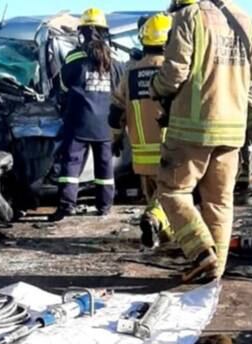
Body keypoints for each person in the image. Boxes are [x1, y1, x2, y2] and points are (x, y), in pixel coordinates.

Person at [151, 0, 252, 283]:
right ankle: (214, 271)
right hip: (232, 130)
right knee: (219, 202)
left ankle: (202, 253)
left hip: (193, 127)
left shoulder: (189, 17)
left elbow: (175, 72)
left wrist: (156, 88)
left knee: (173, 192)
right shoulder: (247, 20)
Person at [49, 8, 124, 222]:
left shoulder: (75, 57)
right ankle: (104, 206)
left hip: (79, 121)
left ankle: (66, 207)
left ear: (82, 31)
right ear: (104, 32)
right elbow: (120, 92)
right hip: (106, 124)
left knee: (71, 166)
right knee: (105, 166)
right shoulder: (114, 60)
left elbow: (62, 85)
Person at [109, 13, 174, 249]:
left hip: (140, 152)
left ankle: (162, 235)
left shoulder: (131, 72)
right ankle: (153, 219)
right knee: (170, 196)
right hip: (169, 148)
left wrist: (114, 138)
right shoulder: (173, 72)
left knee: (154, 194)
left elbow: (115, 111)